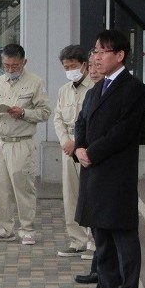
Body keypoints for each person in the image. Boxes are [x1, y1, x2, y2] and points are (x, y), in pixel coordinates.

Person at [71, 29, 145, 288]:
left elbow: (123, 131)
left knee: (123, 237)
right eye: (95, 51)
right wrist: (79, 148)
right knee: (100, 236)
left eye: (103, 51)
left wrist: (93, 151)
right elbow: (82, 122)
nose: (96, 56)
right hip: (93, 172)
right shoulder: (94, 90)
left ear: (120, 55)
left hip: (115, 174)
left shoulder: (132, 88)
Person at [0, 44, 51, 245]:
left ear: (24, 62)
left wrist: (23, 113)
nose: (10, 69)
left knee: (23, 187)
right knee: (1, 187)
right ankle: (4, 228)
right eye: (6, 65)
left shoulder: (35, 83)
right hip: (0, 142)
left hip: (22, 142)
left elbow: (45, 112)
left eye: (15, 65)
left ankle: (27, 229)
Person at [53, 44, 94, 258]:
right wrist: (65, 141)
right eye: (66, 67)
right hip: (68, 148)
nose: (70, 70)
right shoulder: (64, 90)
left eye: (73, 66)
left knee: (91, 195)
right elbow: (58, 118)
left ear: (84, 65)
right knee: (70, 196)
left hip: (87, 148)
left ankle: (93, 242)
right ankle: (76, 240)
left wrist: (77, 143)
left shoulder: (96, 87)